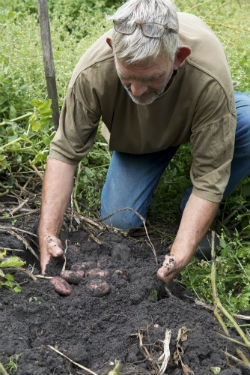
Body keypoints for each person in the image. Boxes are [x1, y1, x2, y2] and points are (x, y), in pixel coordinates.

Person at [39, 0, 250, 282]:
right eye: (127, 78)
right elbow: (65, 153)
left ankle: (190, 209)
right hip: (138, 138)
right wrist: (48, 233)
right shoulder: (93, 71)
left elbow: (210, 177)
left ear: (178, 57)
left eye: (152, 78)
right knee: (118, 221)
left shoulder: (207, 75)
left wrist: (179, 254)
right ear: (114, 50)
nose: (137, 91)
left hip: (194, 117)